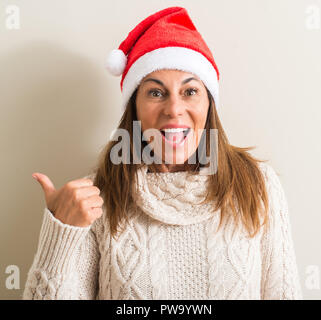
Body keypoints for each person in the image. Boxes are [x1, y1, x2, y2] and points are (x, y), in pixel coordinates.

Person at [23, 6, 303, 300]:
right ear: (135, 108)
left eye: (190, 91)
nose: (173, 109)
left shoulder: (258, 185)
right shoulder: (95, 198)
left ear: (209, 104)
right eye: (155, 92)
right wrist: (61, 233)